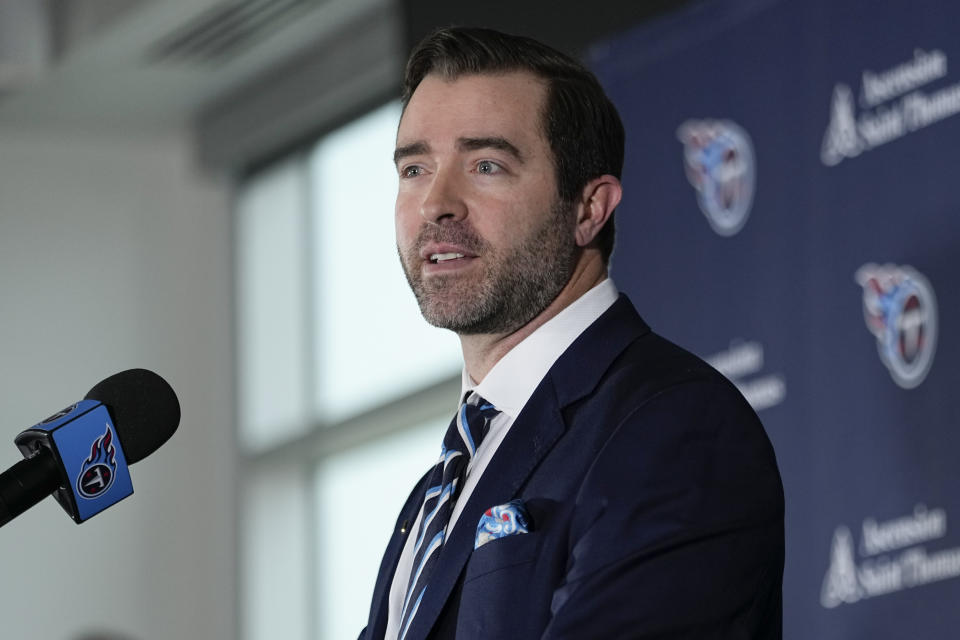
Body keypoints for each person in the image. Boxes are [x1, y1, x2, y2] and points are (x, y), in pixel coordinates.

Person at [361, 26, 784, 640]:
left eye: (486, 165)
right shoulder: (443, 483)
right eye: (414, 168)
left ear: (589, 208)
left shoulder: (674, 426)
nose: (436, 203)